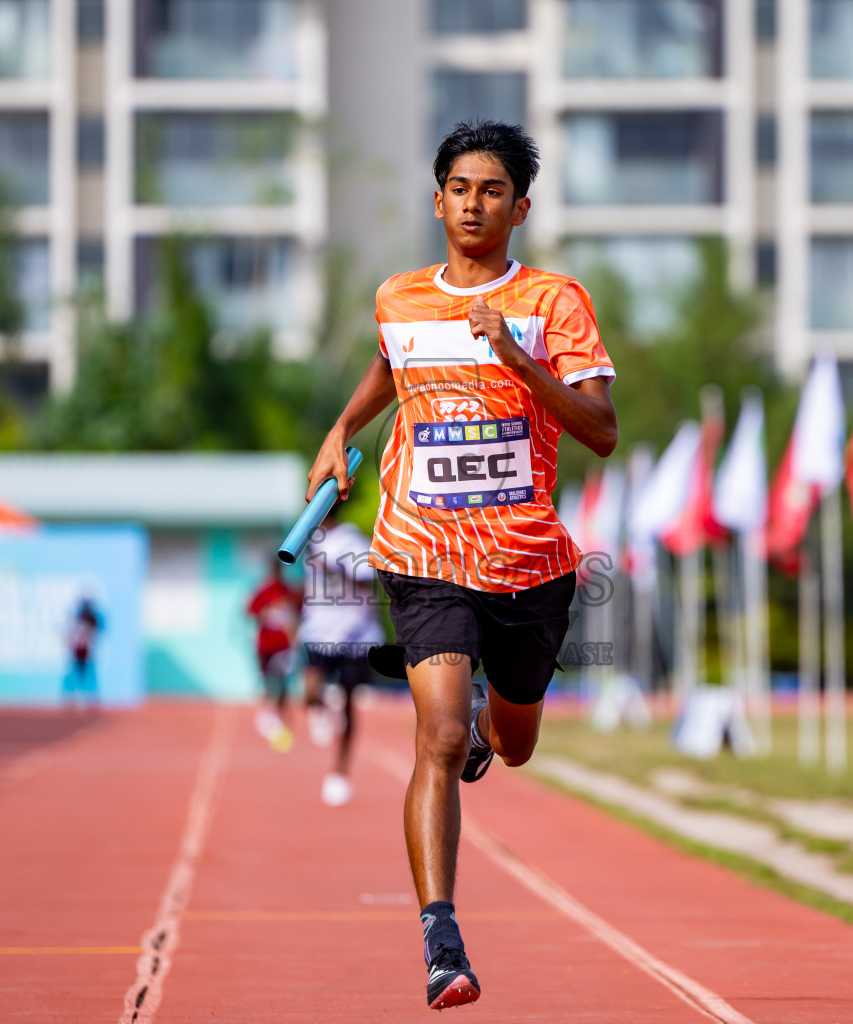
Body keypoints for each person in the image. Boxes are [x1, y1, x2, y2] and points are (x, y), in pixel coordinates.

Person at [304, 120, 616, 1011]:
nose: (472, 204)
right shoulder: (400, 297)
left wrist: (516, 357)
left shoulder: (555, 301)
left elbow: (601, 431)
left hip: (527, 564)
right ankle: (441, 938)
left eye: (491, 191)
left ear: (520, 207)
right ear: (437, 197)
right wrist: (339, 431)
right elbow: (387, 366)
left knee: (511, 745)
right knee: (435, 736)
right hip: (423, 554)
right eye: (458, 188)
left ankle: (493, 723)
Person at [299, 507, 384, 807]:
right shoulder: (309, 540)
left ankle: (339, 771)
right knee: (309, 693)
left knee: (349, 703)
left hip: (354, 634)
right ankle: (322, 704)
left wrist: (334, 567)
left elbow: (368, 576)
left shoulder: (350, 539)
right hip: (320, 630)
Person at [246, 560, 301, 752]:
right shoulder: (264, 591)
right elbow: (250, 611)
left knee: (284, 683)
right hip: (266, 645)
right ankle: (266, 716)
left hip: (284, 646)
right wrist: (266, 612)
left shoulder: (288, 591)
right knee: (269, 682)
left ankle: (281, 722)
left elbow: (298, 614)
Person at [63, 596, 103, 712]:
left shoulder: (91, 619)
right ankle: (72, 698)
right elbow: (72, 634)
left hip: (86, 651)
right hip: (78, 651)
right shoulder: (80, 618)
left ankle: (90, 700)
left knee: (88, 675)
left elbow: (92, 635)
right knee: (75, 675)